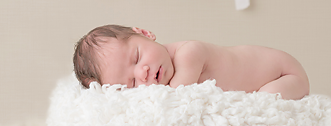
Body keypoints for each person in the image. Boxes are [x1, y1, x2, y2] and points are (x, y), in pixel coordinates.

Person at [73, 24, 310, 100]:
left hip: (283, 74)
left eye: (137, 57)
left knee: (265, 104)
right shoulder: (159, 71)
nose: (142, 73)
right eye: (131, 82)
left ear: (145, 33)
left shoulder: (189, 54)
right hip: (275, 73)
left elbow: (176, 99)